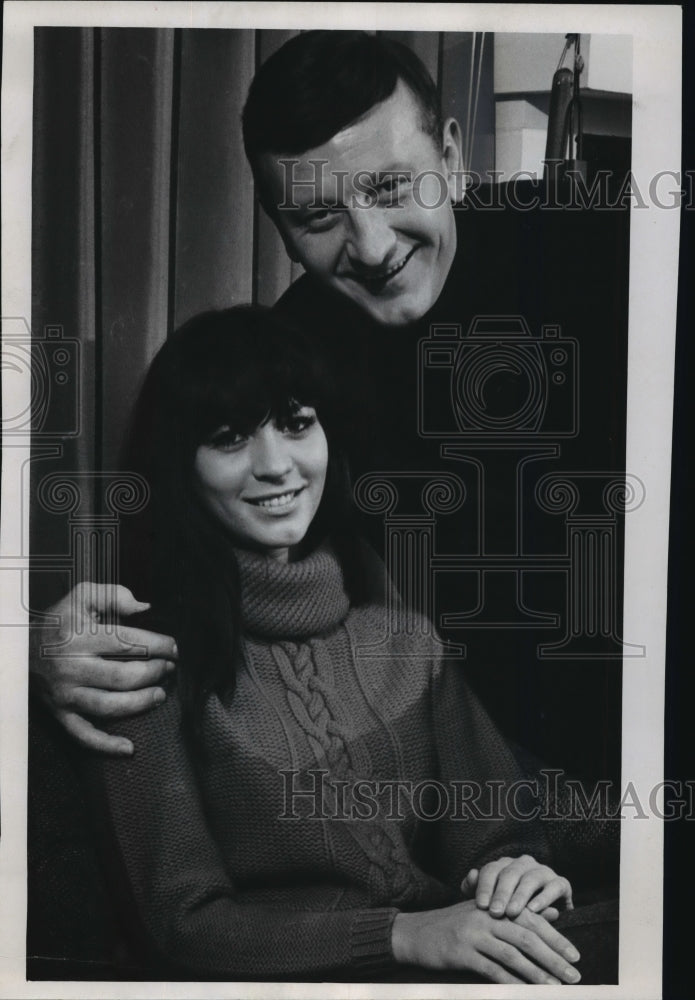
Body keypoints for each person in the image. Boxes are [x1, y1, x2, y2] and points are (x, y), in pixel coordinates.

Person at [31, 31, 628, 777]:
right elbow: (185, 563)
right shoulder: (285, 360)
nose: (373, 248)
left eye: (389, 187)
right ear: (278, 224)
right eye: (319, 218)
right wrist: (47, 650)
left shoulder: (618, 252)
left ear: (449, 154)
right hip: (487, 775)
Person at [81, 305, 603, 983]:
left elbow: (498, 828)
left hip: (449, 960)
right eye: (229, 436)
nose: (275, 465)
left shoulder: (405, 639)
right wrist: (400, 935)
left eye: (296, 424)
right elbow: (183, 925)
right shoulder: (136, 666)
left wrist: (513, 869)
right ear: (181, 466)